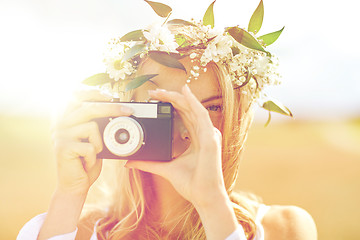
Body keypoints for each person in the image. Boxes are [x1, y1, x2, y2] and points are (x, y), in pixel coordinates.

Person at [18, 1, 317, 240]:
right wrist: (69, 196)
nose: (188, 126)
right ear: (123, 112)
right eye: (164, 106)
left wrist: (212, 204)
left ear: (238, 117)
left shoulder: (285, 229)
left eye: (211, 108)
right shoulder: (76, 229)